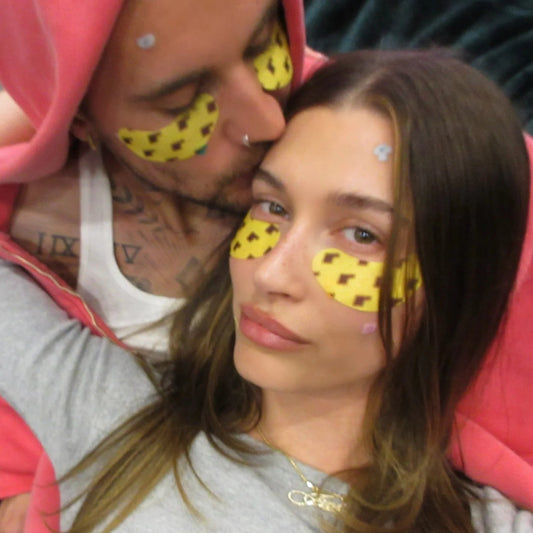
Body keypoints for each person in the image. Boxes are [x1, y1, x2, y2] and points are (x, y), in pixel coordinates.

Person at [1, 48, 532, 532]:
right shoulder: (104, 402)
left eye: (361, 235)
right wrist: (63, 103)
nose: (272, 274)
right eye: (272, 207)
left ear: (458, 278)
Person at [0, 0, 325, 530]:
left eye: (264, 47)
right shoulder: (21, 231)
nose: (268, 120)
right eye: (183, 103)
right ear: (79, 118)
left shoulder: (383, 141)